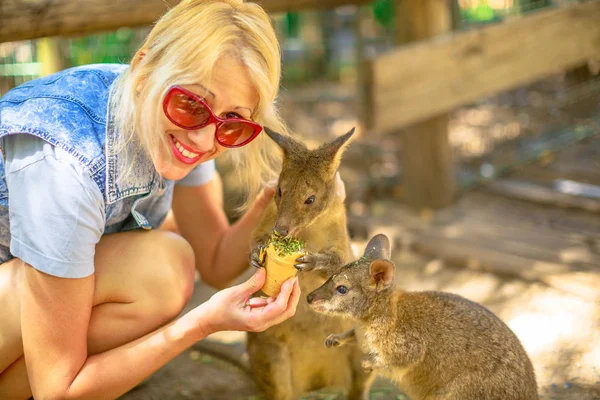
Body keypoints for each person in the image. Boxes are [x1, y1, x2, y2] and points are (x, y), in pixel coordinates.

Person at [0, 1, 303, 398]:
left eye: (232, 124)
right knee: (160, 268)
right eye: (192, 104)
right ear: (144, 70)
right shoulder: (68, 164)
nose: (204, 139)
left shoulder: (169, 121)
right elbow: (56, 392)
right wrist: (199, 324)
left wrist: (277, 202)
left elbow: (213, 260)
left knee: (168, 265)